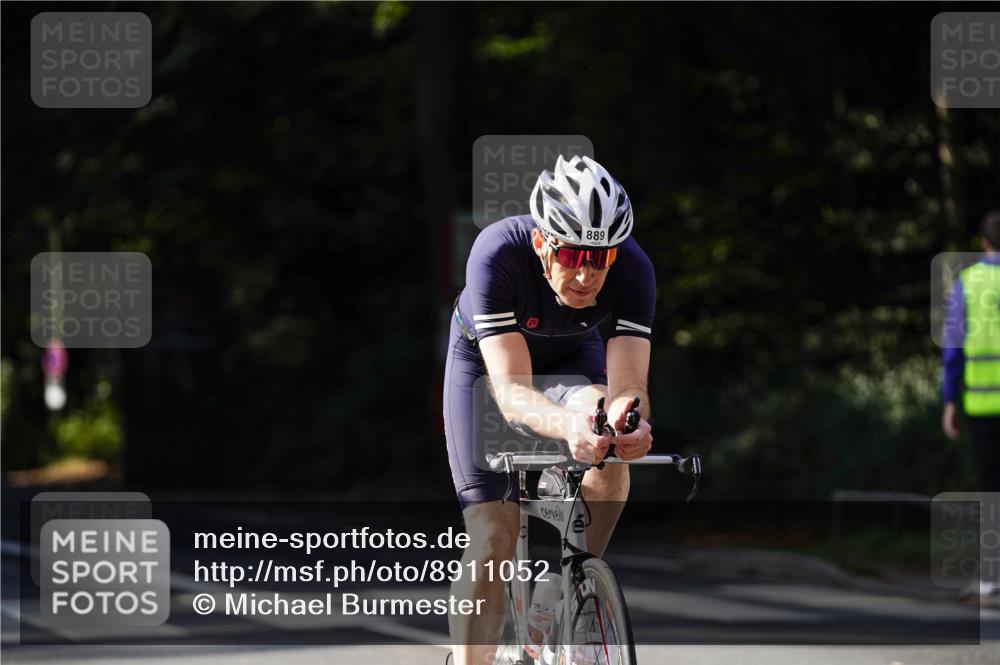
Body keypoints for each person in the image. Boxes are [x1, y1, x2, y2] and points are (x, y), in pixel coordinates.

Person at [443, 155, 656, 665]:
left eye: (600, 258)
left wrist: (630, 422)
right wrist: (566, 427)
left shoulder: (634, 269)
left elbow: (630, 385)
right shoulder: (496, 253)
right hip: (486, 366)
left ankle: (571, 592)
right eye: (573, 255)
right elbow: (512, 392)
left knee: (609, 448)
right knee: (493, 537)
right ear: (542, 243)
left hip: (569, 354)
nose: (587, 274)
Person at [942, 210, 1000, 599]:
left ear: (983, 243)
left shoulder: (969, 282)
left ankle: (992, 577)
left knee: (991, 491)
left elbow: (953, 349)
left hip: (981, 407)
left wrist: (949, 401)